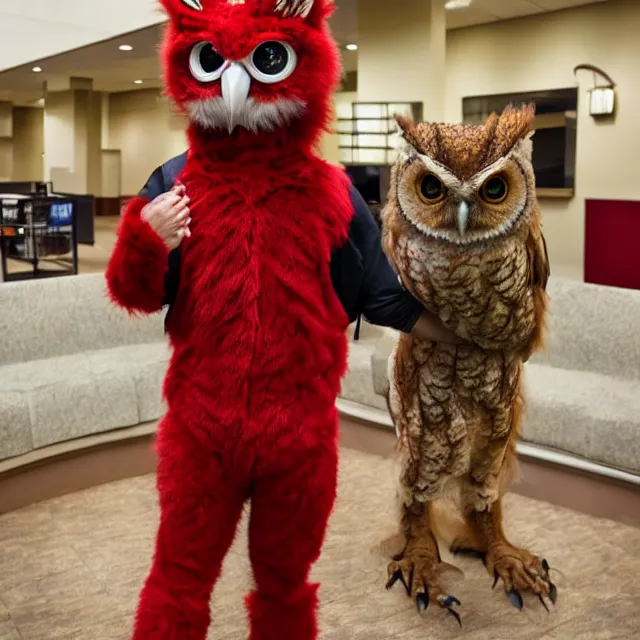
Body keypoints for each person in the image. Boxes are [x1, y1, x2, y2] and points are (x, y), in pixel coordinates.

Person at [138, 151, 459, 344]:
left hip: (299, 399)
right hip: (203, 398)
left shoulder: (332, 193)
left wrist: (480, 340)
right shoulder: (175, 182)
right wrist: (146, 244)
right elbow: (140, 295)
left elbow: (384, 299)